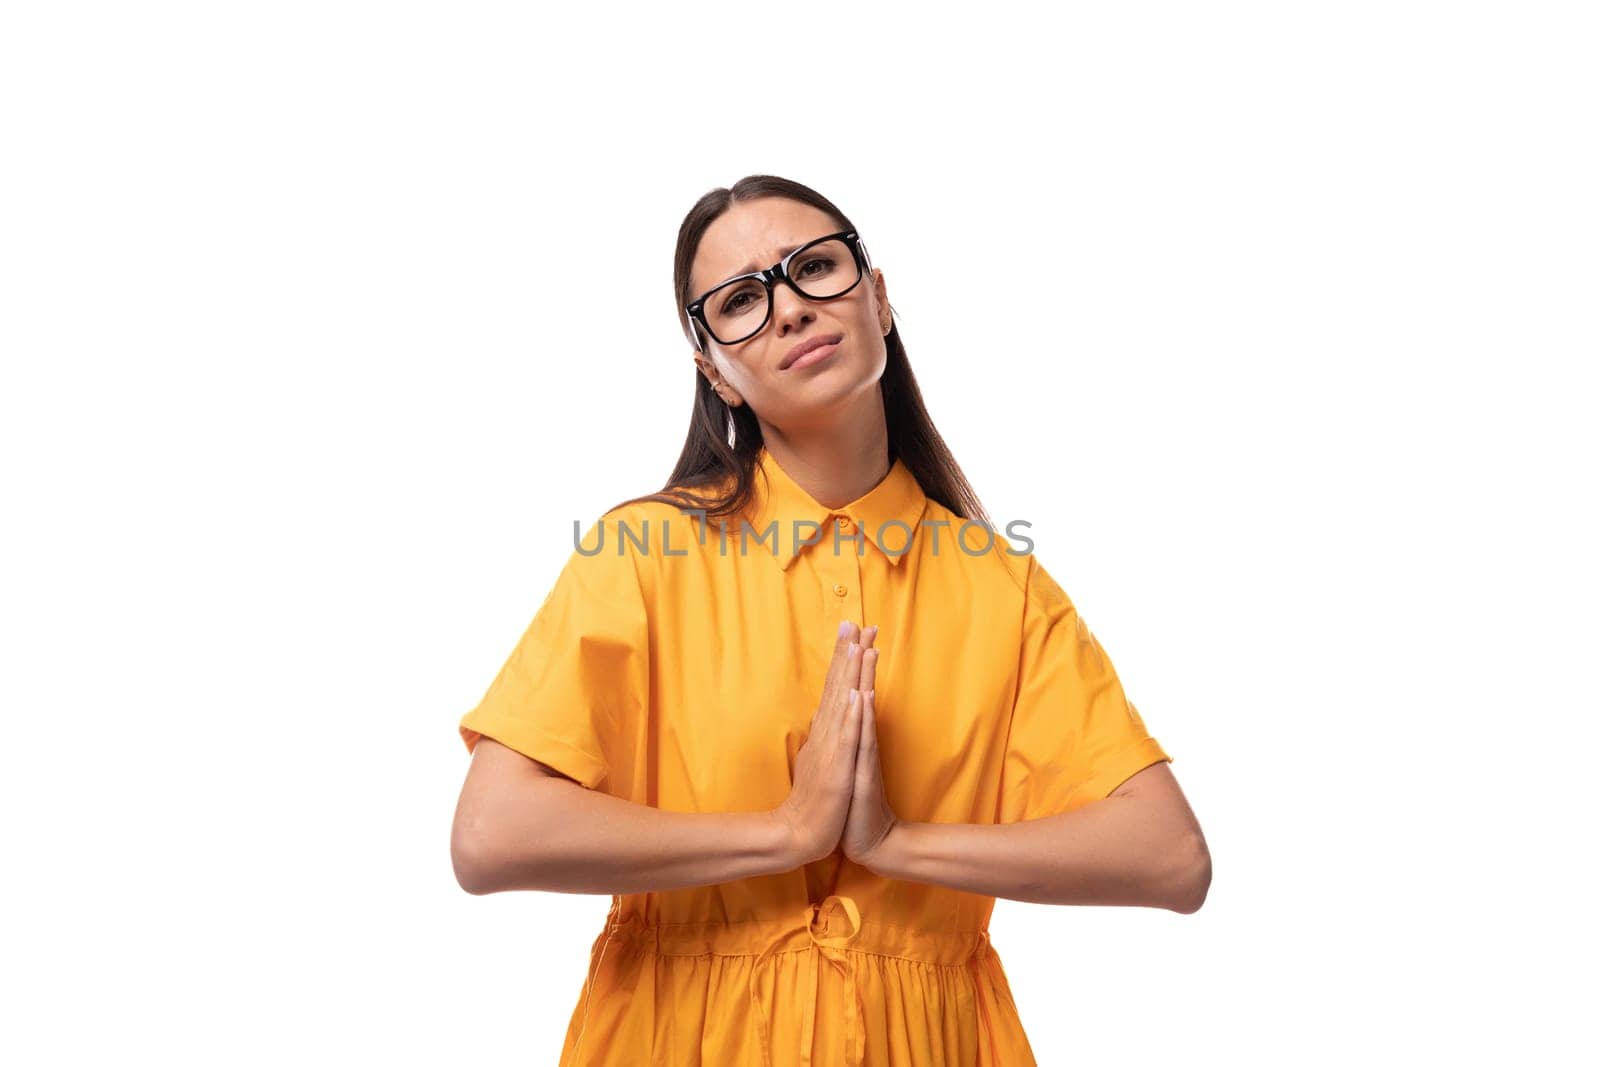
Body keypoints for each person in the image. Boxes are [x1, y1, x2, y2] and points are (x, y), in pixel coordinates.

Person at [450, 174, 1211, 1066]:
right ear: (712, 370)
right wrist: (786, 831)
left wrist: (895, 841)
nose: (790, 309)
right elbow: (491, 833)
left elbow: (1170, 855)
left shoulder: (1003, 588)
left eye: (815, 267)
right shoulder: (640, 554)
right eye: (740, 300)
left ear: (878, 298)